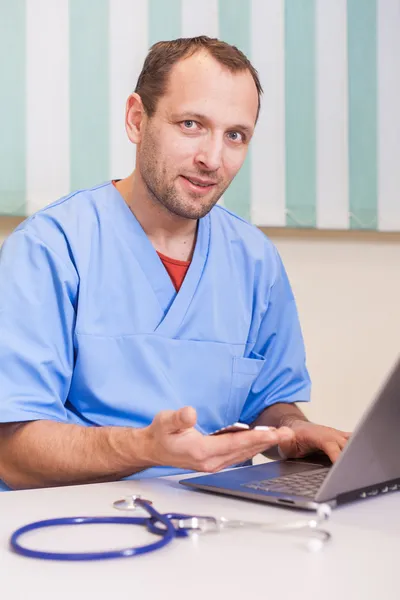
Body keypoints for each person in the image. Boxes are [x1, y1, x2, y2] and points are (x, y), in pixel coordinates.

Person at [0, 37, 349, 491]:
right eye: (191, 124)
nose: (212, 159)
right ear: (136, 119)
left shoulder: (254, 259)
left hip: (221, 518)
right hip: (82, 525)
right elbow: (11, 454)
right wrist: (147, 448)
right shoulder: (50, 249)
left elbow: (268, 403)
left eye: (235, 136)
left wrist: (291, 431)